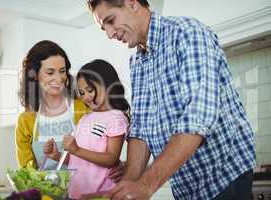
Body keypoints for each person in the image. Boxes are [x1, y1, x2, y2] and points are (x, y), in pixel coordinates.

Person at [87, 0, 256, 200]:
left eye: (111, 20)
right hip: (186, 190)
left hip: (224, 179)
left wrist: (145, 184)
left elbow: (198, 117)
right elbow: (142, 129)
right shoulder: (137, 62)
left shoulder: (187, 33)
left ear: (132, 3)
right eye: (103, 27)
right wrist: (127, 186)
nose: (109, 33)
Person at [43, 59, 130, 199]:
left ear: (108, 85)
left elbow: (111, 159)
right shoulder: (84, 119)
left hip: (100, 194)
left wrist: (76, 150)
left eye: (90, 90)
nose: (86, 97)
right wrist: (57, 156)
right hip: (75, 194)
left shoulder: (116, 118)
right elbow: (77, 160)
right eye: (82, 93)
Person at [16, 40, 89, 170]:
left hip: (86, 189)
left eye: (62, 71)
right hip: (44, 190)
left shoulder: (84, 109)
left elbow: (100, 155)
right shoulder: (26, 121)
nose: (59, 78)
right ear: (35, 76)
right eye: (50, 73)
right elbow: (27, 171)